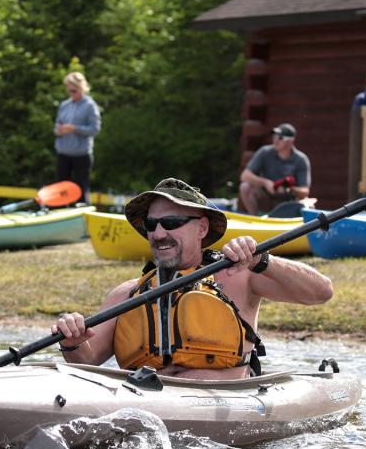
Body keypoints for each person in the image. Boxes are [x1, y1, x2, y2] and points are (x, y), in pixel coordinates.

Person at [51, 178, 334, 380]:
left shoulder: (239, 275)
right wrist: (71, 339)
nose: (159, 233)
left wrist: (264, 260)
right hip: (150, 404)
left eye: (172, 223)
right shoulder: (126, 295)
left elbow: (321, 292)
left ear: (201, 228)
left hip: (226, 405)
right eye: (152, 225)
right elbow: (86, 360)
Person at [238, 123, 311, 214]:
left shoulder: (301, 159)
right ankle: (255, 219)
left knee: (309, 204)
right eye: (275, 137)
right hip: (266, 199)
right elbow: (245, 176)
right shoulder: (265, 152)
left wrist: (289, 189)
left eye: (280, 138)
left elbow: (305, 191)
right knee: (245, 187)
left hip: (289, 202)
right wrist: (265, 183)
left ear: (291, 141)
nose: (275, 141)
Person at [54, 72, 101, 204]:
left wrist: (74, 128)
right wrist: (60, 130)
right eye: (70, 90)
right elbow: (56, 128)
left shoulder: (90, 106)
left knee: (81, 188)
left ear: (82, 88)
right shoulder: (64, 105)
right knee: (61, 189)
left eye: (74, 90)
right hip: (63, 153)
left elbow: (95, 129)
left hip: (81, 155)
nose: (72, 92)